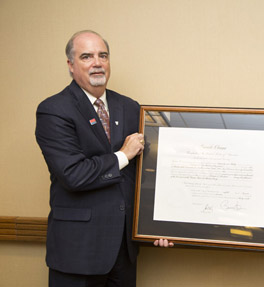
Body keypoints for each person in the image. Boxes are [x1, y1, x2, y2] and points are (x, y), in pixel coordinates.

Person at [36, 30, 172, 287]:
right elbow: (73, 174)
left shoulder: (131, 107)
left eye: (103, 55)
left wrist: (157, 224)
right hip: (78, 251)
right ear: (70, 65)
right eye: (86, 56)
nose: (97, 63)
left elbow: (146, 173)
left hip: (124, 249)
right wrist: (123, 155)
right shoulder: (54, 110)